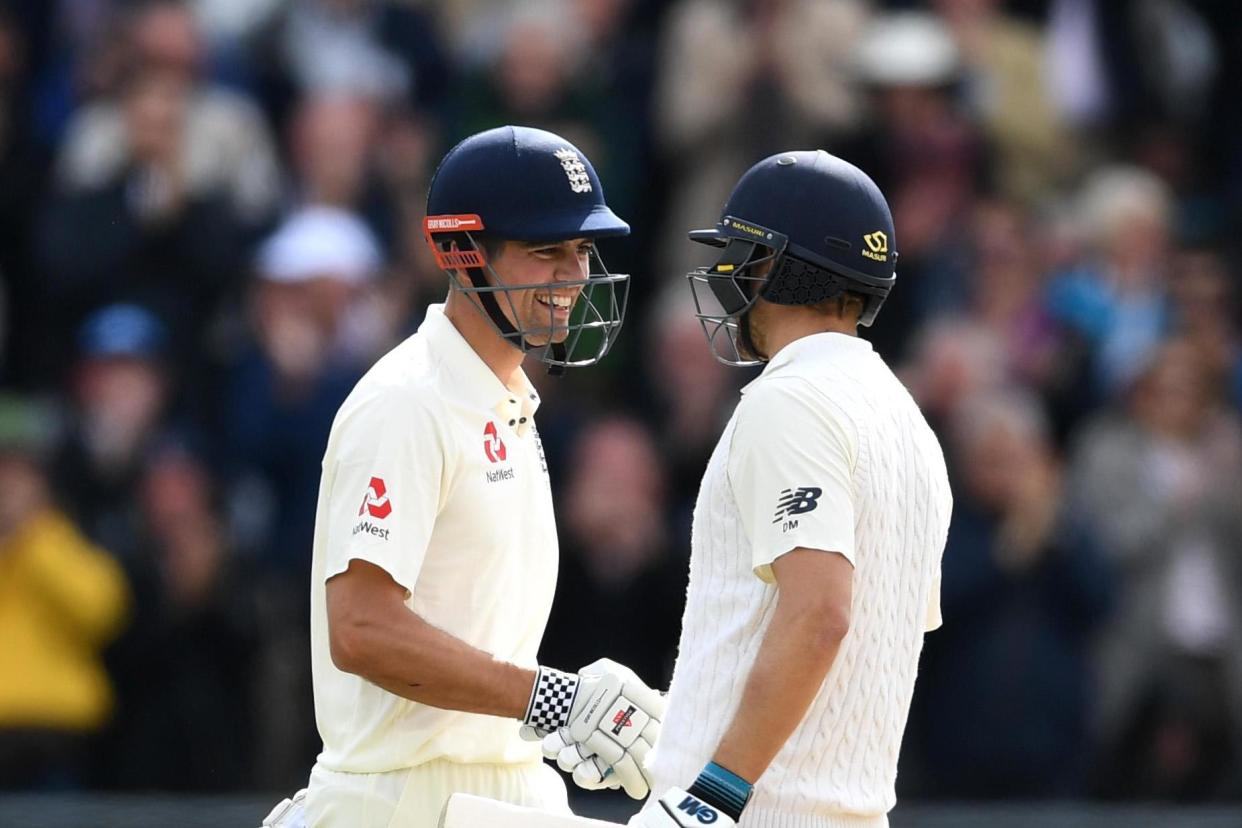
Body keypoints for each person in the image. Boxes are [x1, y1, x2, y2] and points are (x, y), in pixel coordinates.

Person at [259, 125, 664, 828]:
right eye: (545, 251)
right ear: (460, 252)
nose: (573, 275)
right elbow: (360, 629)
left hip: (498, 789)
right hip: (401, 800)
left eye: (582, 249)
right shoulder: (409, 401)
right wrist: (552, 700)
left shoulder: (507, 401)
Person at [550, 150, 953, 827]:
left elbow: (820, 614)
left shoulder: (791, 400)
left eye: (744, 254)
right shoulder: (907, 422)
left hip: (758, 814)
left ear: (778, 268)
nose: (728, 274)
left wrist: (712, 797)